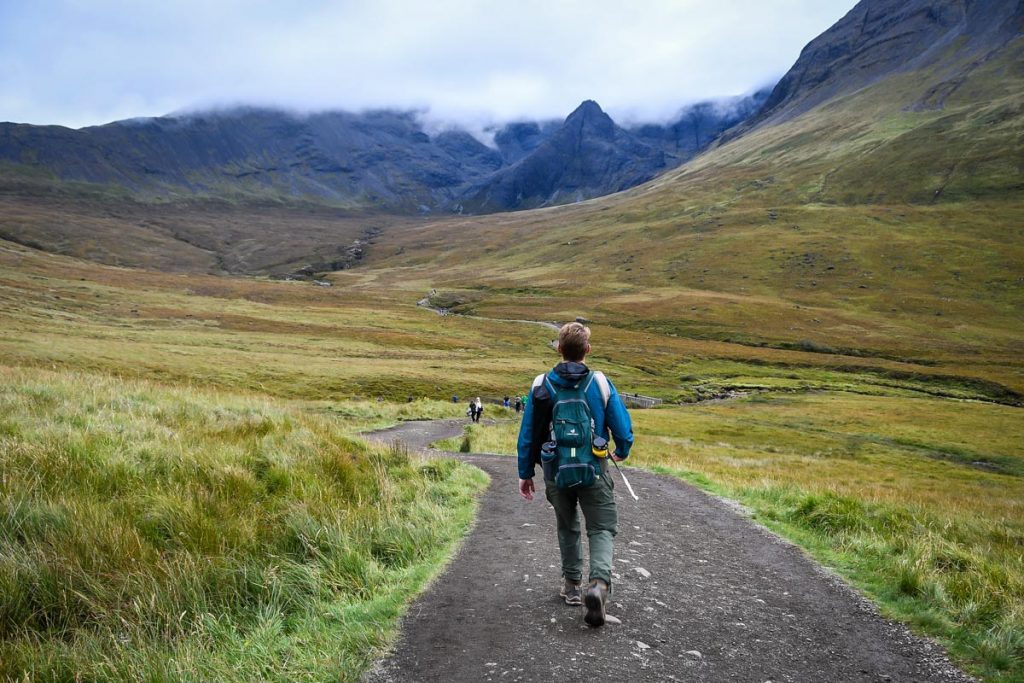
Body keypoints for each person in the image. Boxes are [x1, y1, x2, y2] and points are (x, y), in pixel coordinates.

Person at [516, 322, 633, 628]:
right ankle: (598, 584)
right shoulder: (600, 382)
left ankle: (571, 587)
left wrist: (525, 472)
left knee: (567, 525)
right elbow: (621, 425)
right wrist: (623, 447)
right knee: (602, 527)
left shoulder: (541, 383)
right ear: (588, 350)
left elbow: (528, 432)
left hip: (556, 471)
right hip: (594, 469)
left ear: (559, 349)